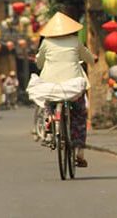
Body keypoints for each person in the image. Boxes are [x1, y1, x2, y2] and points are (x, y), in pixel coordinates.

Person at [36, 12, 96, 168]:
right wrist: (92, 60)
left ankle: (50, 121)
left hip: (52, 85)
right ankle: (80, 153)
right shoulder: (75, 41)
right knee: (79, 115)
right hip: (73, 86)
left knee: (48, 101)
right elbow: (88, 57)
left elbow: (39, 62)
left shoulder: (46, 43)